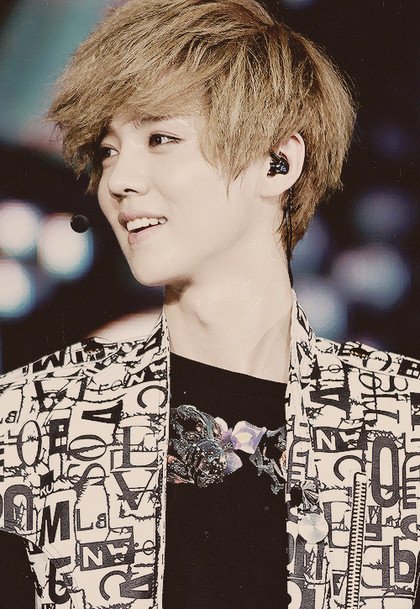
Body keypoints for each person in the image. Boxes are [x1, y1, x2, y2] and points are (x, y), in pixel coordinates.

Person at [0, 0, 419, 608]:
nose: (118, 180)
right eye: (109, 150)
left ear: (277, 163)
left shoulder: (398, 423)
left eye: (161, 138)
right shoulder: (34, 418)